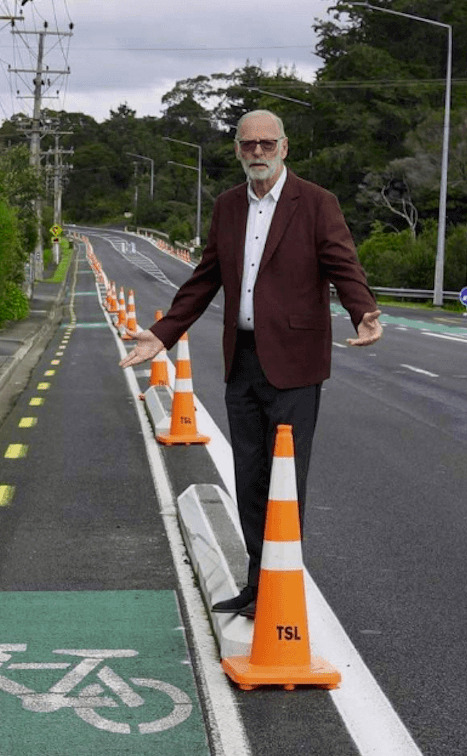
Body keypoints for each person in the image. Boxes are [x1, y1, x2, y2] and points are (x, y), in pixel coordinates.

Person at [120, 109, 383, 619]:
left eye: (267, 143)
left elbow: (342, 263)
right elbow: (204, 278)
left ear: (284, 148)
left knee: (285, 479)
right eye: (248, 145)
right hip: (241, 361)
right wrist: (161, 334)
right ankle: (257, 584)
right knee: (250, 474)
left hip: (295, 365)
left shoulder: (316, 203)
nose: (257, 152)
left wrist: (363, 312)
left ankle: (280, 587)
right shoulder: (227, 207)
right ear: (238, 150)